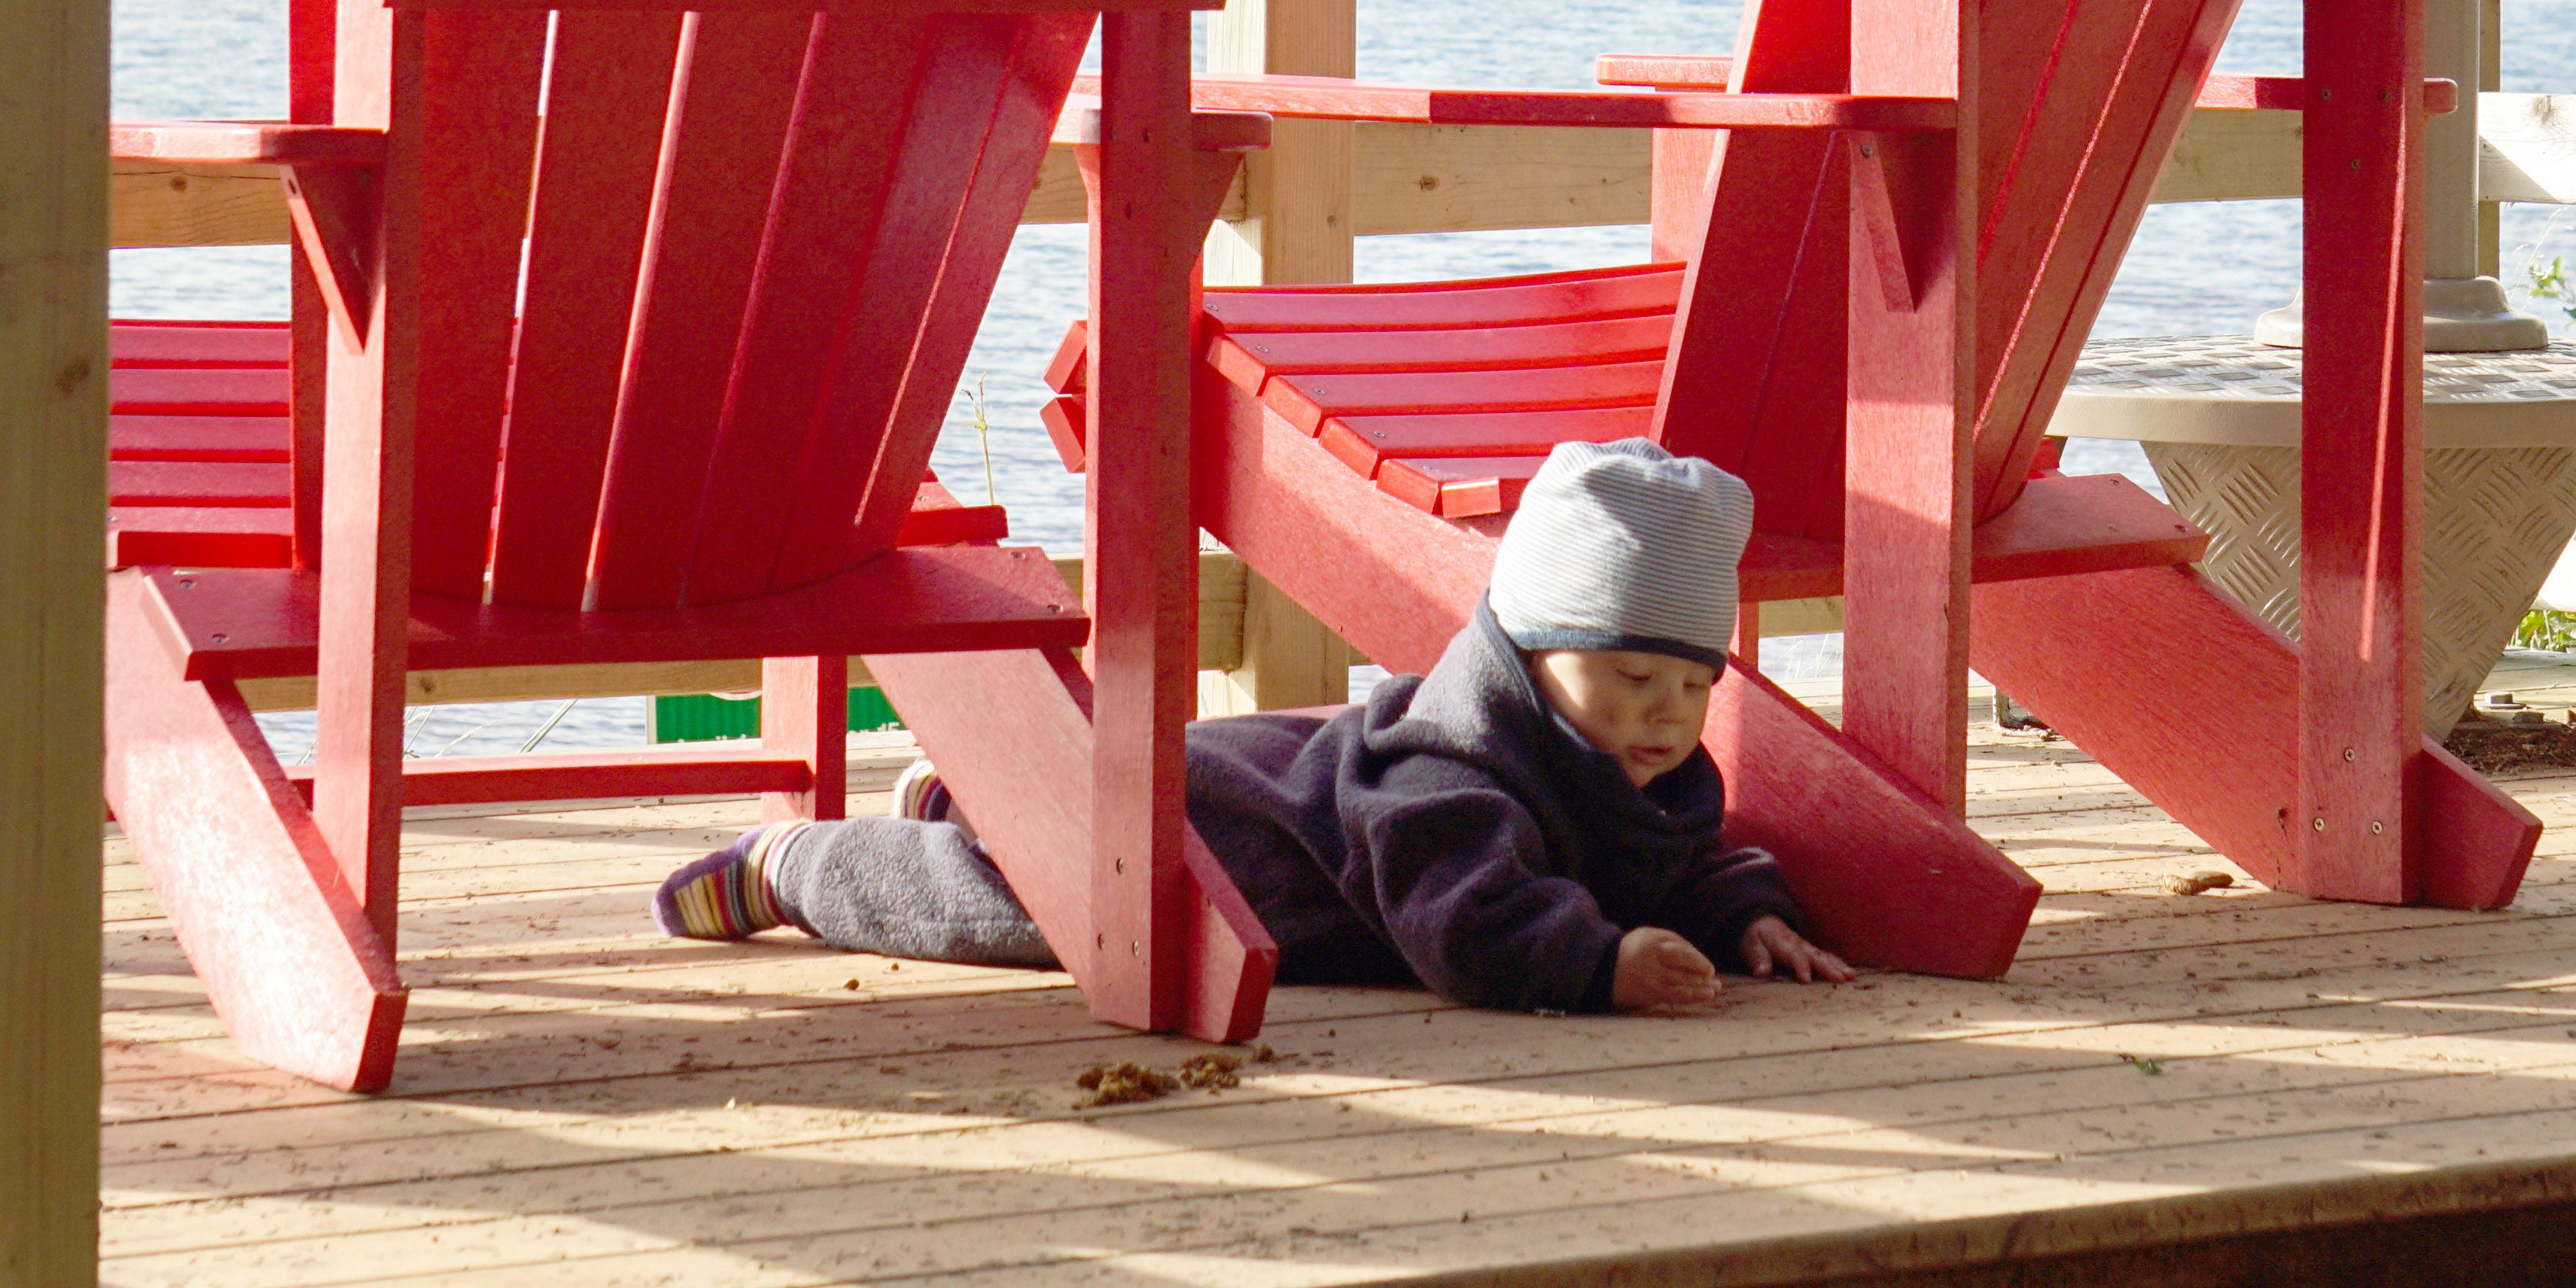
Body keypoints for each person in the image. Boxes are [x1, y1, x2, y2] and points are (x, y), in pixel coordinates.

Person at [651, 437, 1853, 1014]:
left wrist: (1741, 907)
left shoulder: (1630, 758)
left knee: (1049, 805)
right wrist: (1598, 962)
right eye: (1633, 674)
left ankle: (969, 785)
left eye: (1692, 684)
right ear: (1532, 659)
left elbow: (1662, 854)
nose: (1665, 713)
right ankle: (802, 863)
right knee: (1010, 890)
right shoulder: (1452, 780)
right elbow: (1467, 921)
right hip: (1222, 843)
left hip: (1296, 768)